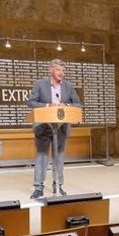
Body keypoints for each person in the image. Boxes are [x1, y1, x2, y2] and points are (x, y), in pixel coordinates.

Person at [28, 59, 81, 199]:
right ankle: (38, 188)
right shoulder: (40, 84)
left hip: (61, 128)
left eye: (63, 71)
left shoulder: (68, 86)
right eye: (59, 70)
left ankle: (58, 185)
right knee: (42, 158)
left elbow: (77, 104)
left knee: (59, 158)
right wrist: (47, 106)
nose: (62, 73)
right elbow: (31, 102)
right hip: (43, 127)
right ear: (51, 70)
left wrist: (66, 106)